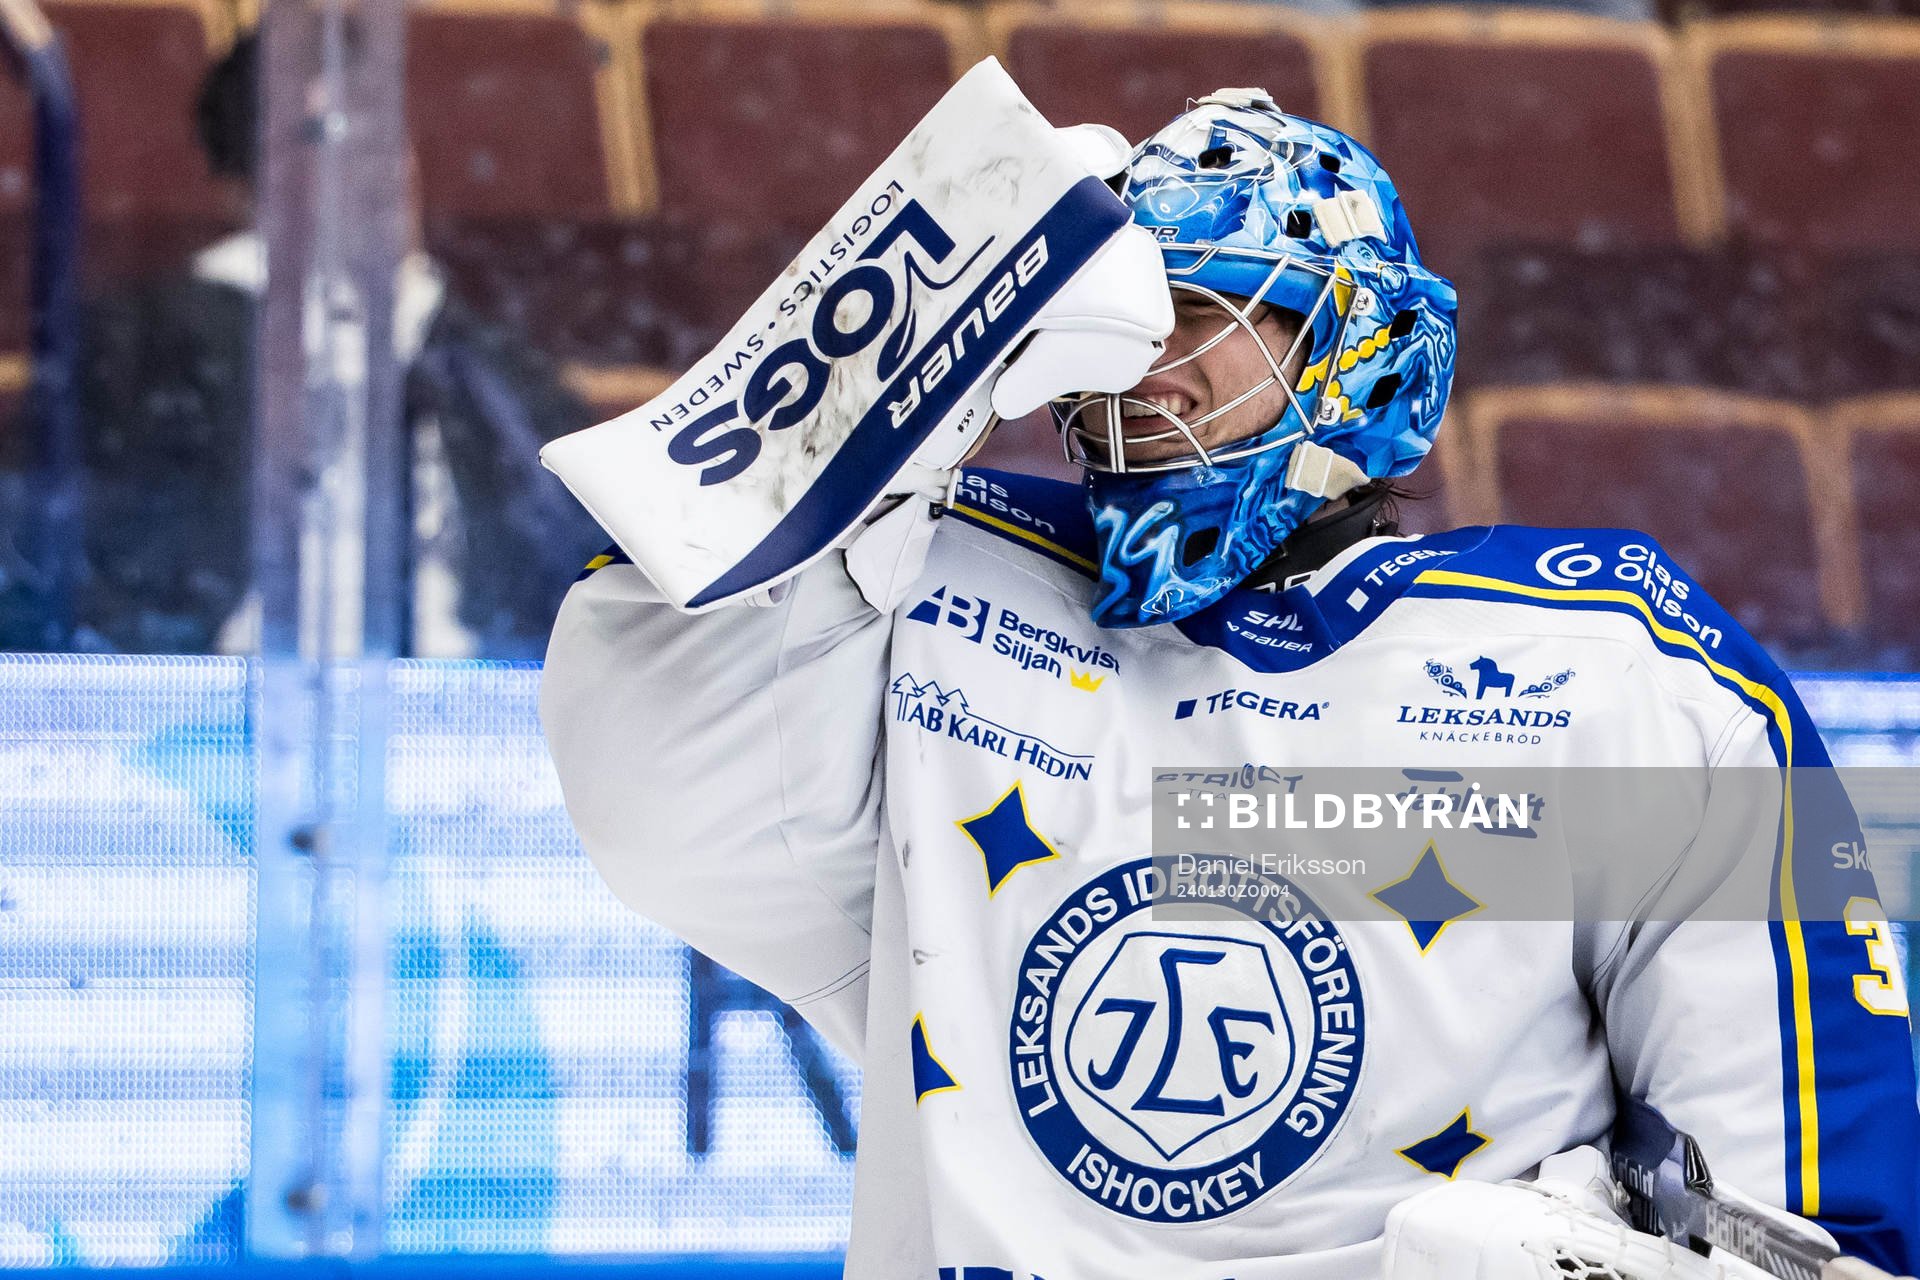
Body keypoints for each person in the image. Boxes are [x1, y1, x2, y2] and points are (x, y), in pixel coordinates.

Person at [540, 91, 1918, 1278]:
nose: (1141, 378)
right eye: (1116, 334)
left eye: (1200, 321)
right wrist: (907, 347)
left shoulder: (1621, 660)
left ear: (1364, 347)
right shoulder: (937, 599)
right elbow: (652, 798)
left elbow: (1801, 1221)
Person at [0, 33, 602, 657]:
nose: (377, 165)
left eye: (385, 131)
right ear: (243, 184)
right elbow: (61, 573)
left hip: (472, 716)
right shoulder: (143, 348)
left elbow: (585, 580)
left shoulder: (496, 371)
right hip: (208, 718)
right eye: (327, 137)